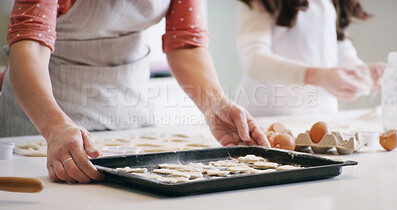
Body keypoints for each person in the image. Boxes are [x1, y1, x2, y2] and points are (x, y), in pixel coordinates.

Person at [1, 0, 270, 183]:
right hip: (43, 116)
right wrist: (53, 126)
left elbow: (185, 43)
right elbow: (31, 45)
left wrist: (215, 105)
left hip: (129, 111)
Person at [235, 0, 385, 117]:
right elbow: (253, 59)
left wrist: (362, 72)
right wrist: (317, 76)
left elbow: (338, 49)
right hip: (268, 117)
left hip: (322, 116)